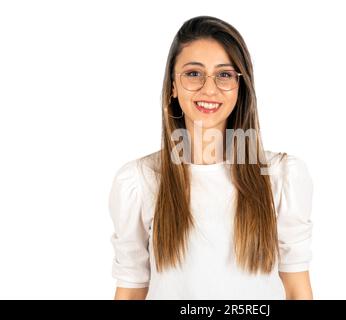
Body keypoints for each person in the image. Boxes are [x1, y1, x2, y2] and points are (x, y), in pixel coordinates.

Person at [109, 16, 314, 300]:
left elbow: (296, 289)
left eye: (224, 74)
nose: (209, 88)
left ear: (240, 85)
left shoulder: (280, 177)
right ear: (172, 86)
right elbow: (131, 291)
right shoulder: (139, 181)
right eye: (193, 73)